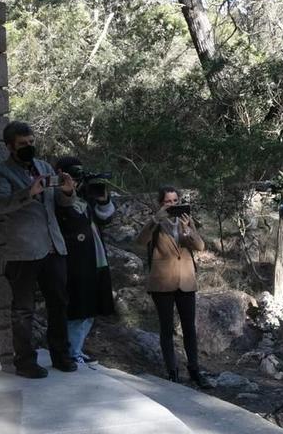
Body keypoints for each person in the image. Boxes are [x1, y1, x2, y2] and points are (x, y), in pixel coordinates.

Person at [0, 121, 75, 378]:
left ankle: (61, 355)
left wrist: (68, 192)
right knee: (23, 310)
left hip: (52, 247)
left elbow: (57, 203)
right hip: (24, 252)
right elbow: (0, 206)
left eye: (31, 142)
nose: (29, 147)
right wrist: (29, 191)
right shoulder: (2, 173)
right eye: (22, 144)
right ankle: (25, 362)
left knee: (59, 304)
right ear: (9, 147)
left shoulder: (45, 167)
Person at [134, 187, 209, 388]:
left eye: (175, 201)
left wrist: (188, 230)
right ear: (161, 203)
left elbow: (200, 246)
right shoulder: (156, 223)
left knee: (189, 329)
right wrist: (155, 220)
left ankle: (194, 370)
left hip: (186, 282)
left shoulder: (186, 221)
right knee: (166, 329)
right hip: (162, 283)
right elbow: (141, 241)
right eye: (168, 201)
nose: (172, 205)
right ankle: (172, 372)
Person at [52, 157, 117, 366]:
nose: (76, 180)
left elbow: (105, 218)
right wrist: (67, 191)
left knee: (91, 308)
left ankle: (76, 349)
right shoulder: (56, 196)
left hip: (96, 259)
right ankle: (71, 351)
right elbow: (64, 215)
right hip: (74, 261)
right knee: (77, 309)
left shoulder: (85, 196)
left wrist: (103, 199)